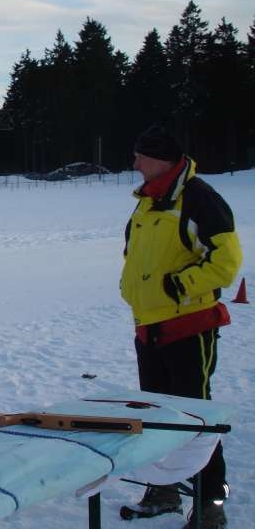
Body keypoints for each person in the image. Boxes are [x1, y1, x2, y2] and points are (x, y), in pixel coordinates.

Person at [119, 126, 242, 529]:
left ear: (162, 160)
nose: (135, 164)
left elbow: (225, 262)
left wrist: (178, 286)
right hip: (149, 326)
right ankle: (164, 490)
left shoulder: (200, 199)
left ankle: (210, 505)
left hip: (188, 327)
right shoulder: (149, 201)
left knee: (195, 419)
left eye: (141, 156)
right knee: (156, 416)